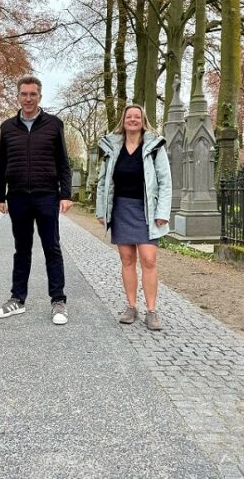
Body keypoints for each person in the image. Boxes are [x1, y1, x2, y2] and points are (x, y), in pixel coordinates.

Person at [0, 75, 73, 325]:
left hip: (46, 195)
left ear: (40, 96)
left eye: (33, 94)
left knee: (52, 248)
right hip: (17, 197)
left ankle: (58, 300)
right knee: (22, 249)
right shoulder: (7, 127)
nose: (28, 99)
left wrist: (65, 194)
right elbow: (1, 163)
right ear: (17, 96)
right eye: (24, 94)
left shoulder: (54, 124)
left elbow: (63, 162)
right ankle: (17, 298)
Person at [95, 103, 171, 331]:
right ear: (124, 120)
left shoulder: (154, 146)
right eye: (129, 116)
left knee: (149, 259)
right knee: (127, 260)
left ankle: (152, 311)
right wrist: (101, 210)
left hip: (147, 210)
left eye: (137, 116)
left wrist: (162, 212)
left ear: (143, 120)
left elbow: (165, 181)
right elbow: (103, 182)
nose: (133, 120)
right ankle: (131, 306)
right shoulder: (112, 147)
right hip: (121, 208)